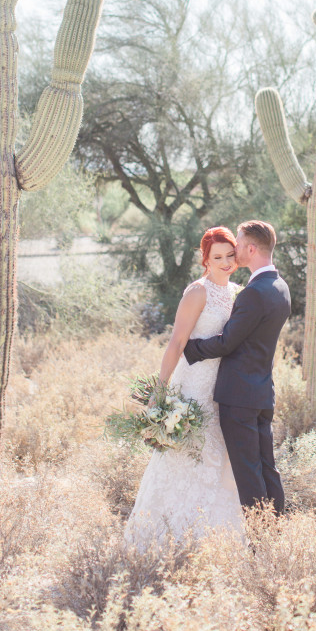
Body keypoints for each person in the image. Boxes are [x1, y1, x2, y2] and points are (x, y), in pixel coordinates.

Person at [125, 226, 245, 545]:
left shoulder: (237, 292)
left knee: (218, 455)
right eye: (217, 257)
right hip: (192, 382)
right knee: (186, 453)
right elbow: (177, 342)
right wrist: (160, 390)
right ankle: (165, 533)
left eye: (230, 255)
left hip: (223, 386)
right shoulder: (197, 292)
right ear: (205, 260)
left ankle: (213, 537)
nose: (224, 262)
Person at [184, 220, 291, 515]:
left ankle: (259, 540)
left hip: (239, 398)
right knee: (268, 468)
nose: (235, 252)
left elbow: (227, 342)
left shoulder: (253, 293)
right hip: (261, 393)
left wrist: (191, 349)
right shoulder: (280, 288)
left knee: (249, 474)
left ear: (252, 249)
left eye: (240, 246)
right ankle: (276, 532)